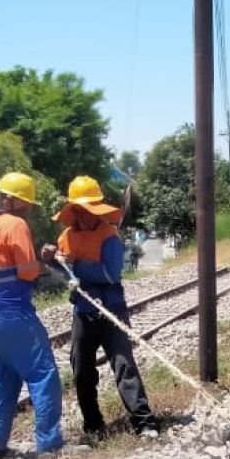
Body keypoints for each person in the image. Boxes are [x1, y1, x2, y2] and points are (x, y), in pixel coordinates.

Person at [41, 176, 160, 440]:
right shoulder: (66, 237)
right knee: (81, 368)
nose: (84, 214)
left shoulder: (110, 236)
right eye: (79, 209)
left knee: (123, 364)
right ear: (73, 211)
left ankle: (144, 422)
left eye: (88, 209)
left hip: (112, 309)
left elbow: (111, 274)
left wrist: (76, 263)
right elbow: (64, 274)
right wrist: (51, 261)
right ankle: (94, 426)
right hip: (83, 311)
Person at [0, 172, 64, 459]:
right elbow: (27, 270)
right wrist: (46, 267)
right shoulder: (15, 225)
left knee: (5, 379)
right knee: (43, 374)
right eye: (28, 203)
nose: (30, 209)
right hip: (12, 311)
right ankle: (50, 446)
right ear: (13, 201)